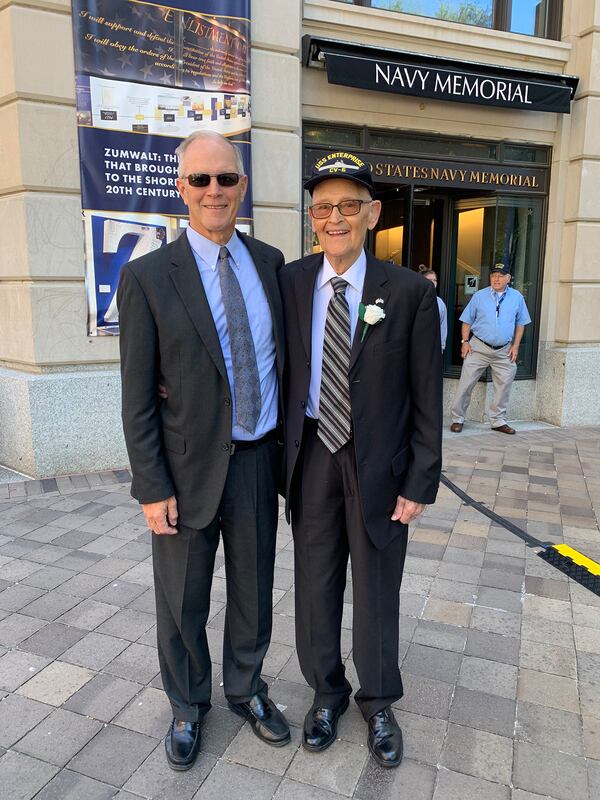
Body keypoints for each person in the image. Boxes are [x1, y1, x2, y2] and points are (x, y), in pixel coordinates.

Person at [117, 130, 290, 771]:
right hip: (184, 474)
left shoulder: (273, 264)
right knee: (182, 598)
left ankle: (246, 689)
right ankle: (189, 706)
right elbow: (137, 397)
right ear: (181, 188)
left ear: (242, 186)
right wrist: (150, 486)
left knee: (253, 591)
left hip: (256, 461)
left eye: (226, 179)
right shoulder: (146, 277)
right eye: (201, 180)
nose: (214, 190)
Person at [279, 152, 443, 768]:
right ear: (312, 218)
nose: (335, 218)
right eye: (323, 208)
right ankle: (326, 693)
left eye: (349, 206)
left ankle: (377, 703)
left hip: (381, 467)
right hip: (312, 456)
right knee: (315, 586)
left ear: (372, 214)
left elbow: (428, 395)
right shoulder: (291, 282)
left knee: (376, 590)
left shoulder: (406, 293)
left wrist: (420, 479)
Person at [450, 263, 531, 434]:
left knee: (504, 386)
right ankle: (458, 419)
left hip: (504, 350)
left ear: (508, 279)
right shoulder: (479, 296)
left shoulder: (517, 297)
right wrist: (465, 341)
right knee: (465, 384)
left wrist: (515, 346)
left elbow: (521, 323)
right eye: (494, 275)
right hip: (478, 347)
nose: (496, 278)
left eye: (501, 275)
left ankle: (498, 420)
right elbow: (467, 321)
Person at [418, 265, 447, 352]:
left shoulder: (439, 302)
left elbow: (443, 326)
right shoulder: (414, 299)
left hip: (433, 347)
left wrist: (441, 346)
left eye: (435, 280)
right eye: (430, 280)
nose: (433, 282)